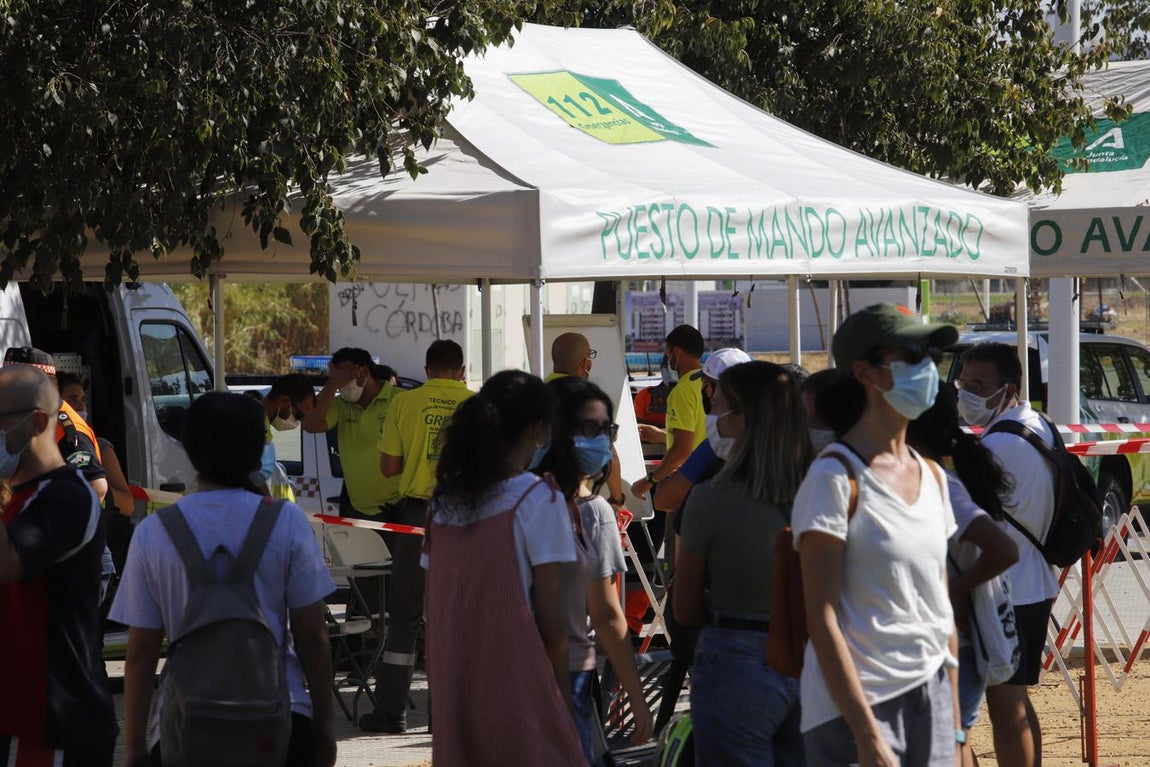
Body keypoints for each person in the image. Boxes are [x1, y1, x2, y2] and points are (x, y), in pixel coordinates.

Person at [111, 391, 336, 767]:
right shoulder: (287, 522)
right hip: (281, 718)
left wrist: (134, 747)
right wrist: (325, 727)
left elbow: (140, 651)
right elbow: (313, 635)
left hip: (185, 727)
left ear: (191, 450)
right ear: (258, 451)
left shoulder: (155, 531)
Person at [792, 303, 961, 766]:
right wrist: (866, 734)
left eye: (932, 356)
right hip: (853, 712)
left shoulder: (933, 477)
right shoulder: (833, 479)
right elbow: (821, 617)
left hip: (932, 700)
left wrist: (956, 729)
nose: (928, 369)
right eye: (912, 355)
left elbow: (940, 612)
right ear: (864, 372)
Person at [423, 369, 585, 766]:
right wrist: (563, 709)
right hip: (518, 695)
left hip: (454, 693)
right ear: (539, 430)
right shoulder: (537, 498)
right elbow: (554, 627)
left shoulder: (442, 503)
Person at [673, 361, 811, 765]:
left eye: (717, 407)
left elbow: (685, 608)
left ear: (744, 417)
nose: (712, 417)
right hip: (813, 657)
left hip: (736, 657)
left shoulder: (710, 498)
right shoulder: (824, 489)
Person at [0, 363, 118, 765]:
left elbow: (5, 563)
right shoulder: (22, 498)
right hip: (26, 721)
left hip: (53, 726)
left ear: (36, 422)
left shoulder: (65, 496)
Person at [537, 377, 654, 763]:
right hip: (567, 676)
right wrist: (637, 699)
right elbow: (606, 614)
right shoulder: (591, 512)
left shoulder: (503, 501)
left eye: (608, 430)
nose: (602, 441)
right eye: (591, 429)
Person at [363, 339, 473, 734]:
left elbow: (389, 467)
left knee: (405, 615)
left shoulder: (404, 403)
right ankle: (446, 717)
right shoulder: (480, 407)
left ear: (427, 371)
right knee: (456, 616)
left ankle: (391, 713)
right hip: (464, 520)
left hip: (416, 518)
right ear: (463, 371)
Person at [955, 342, 1056, 767]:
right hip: (1035, 583)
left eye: (979, 386)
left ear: (1009, 390)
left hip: (1005, 591)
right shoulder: (1038, 426)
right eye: (963, 384)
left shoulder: (998, 445)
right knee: (1015, 705)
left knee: (1002, 711)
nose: (967, 394)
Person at [907, 384, 1019, 767]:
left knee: (951, 746)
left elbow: (1005, 550)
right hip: (949, 649)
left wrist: (953, 590)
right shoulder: (936, 479)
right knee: (956, 746)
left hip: (956, 649)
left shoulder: (939, 484)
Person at [302, 348, 400, 521]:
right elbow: (310, 425)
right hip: (356, 509)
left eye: (344, 379)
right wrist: (332, 385)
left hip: (397, 507)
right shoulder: (341, 404)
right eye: (336, 382)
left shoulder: (399, 400)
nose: (341, 387)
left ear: (363, 372)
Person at [631, 325, 706, 499]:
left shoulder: (682, 391)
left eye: (668, 354)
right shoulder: (709, 384)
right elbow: (699, 435)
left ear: (677, 352)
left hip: (688, 485)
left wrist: (649, 480)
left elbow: (682, 450)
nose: (668, 360)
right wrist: (662, 436)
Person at [257, 373, 316, 489]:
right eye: (299, 415)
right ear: (285, 402)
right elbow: (256, 477)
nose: (298, 421)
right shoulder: (255, 424)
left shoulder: (260, 420)